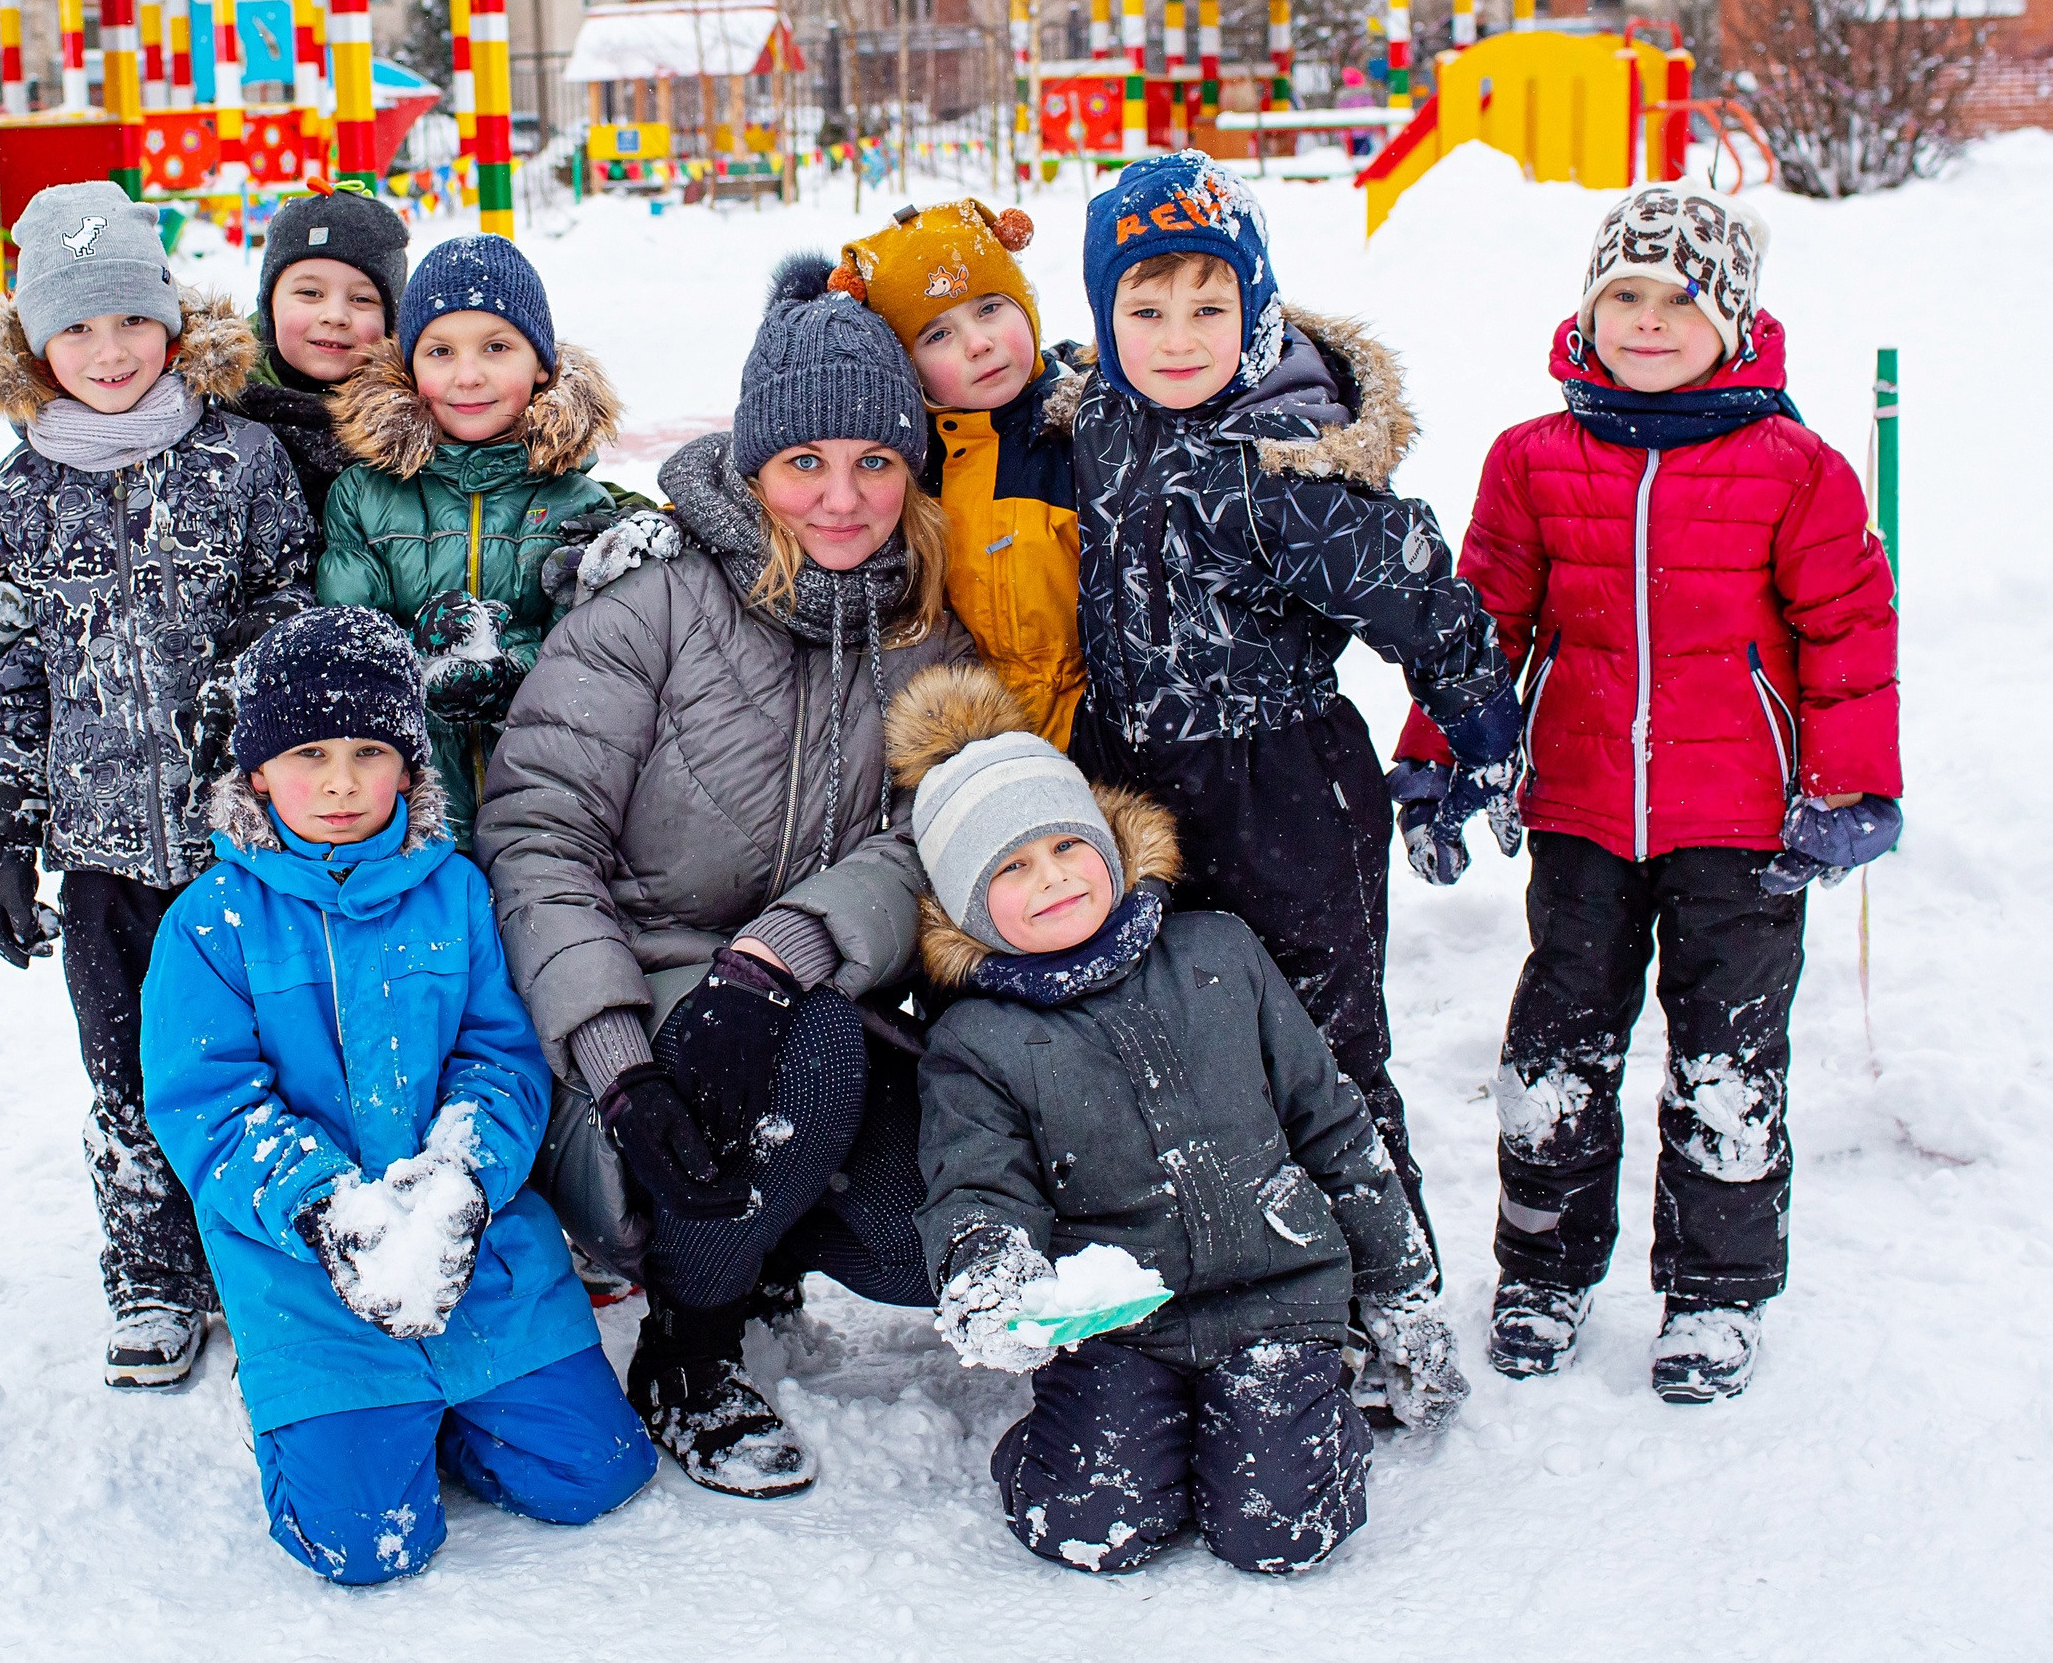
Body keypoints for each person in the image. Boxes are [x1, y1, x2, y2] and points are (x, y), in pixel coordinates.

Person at [1391, 185, 1902, 1403]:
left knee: (1727, 1062)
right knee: (1554, 1052)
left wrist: (1851, 787)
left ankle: (1717, 1295)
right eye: (1624, 293)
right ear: (1587, 305)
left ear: (1731, 316)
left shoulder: (1796, 469)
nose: (1649, 320)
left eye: (1680, 299)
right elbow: (1485, 621)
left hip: (1745, 827)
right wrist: (1440, 757)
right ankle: (1542, 1270)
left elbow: (1848, 632)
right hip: (1577, 811)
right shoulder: (1532, 459)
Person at [476, 253, 973, 1498]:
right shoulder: (653, 610)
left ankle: (754, 1250)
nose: (842, 497)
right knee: (800, 1048)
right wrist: (614, 1056)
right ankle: (687, 1348)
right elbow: (536, 834)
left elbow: (935, 828)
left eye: (875, 461)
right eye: (805, 462)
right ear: (752, 467)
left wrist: (783, 950)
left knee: (929, 1236)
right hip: (631, 1050)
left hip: (811, 1010)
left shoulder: (929, 638)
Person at [896, 664, 1465, 1577]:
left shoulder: (1219, 952)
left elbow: (1333, 1127)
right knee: (1093, 1523)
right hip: (1123, 1327)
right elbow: (978, 1183)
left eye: (1067, 848)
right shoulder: (977, 1042)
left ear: (1110, 846)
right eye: (1011, 867)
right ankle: (1096, 1444)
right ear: (968, 906)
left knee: (1278, 1530)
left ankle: (1304, 1411)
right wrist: (990, 1268)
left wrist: (1400, 1293)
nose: (1053, 881)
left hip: (1278, 1301)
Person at [1059, 151, 1518, 1271]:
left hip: (1285, 789)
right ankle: (1235, 1275)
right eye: (1146, 305)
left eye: (1209, 305)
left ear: (1254, 306)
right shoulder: (1092, 423)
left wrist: (1480, 726)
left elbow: (1410, 586)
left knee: (1320, 1049)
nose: (1178, 335)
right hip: (1132, 785)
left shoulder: (1279, 466)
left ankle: (1384, 1281)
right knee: (1171, 1039)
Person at [140, 608, 655, 1584]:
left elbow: (501, 1055)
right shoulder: (209, 923)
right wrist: (327, 1204)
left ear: (409, 766)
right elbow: (209, 1106)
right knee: (364, 1545)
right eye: (309, 753)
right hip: (309, 1269)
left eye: (369, 751)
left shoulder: (456, 893)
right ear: (256, 772)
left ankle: (448, 1413)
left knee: (595, 1475)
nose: (340, 781)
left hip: (475, 1246)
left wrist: (465, 1176)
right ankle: (330, 1414)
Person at [0, 181, 316, 1387]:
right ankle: (150, 1270)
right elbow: (10, 677)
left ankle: (257, 1249)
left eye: (129, 323)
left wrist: (246, 680)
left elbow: (293, 603)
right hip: (99, 844)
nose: (107, 354)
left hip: (239, 842)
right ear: (34, 343)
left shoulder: (242, 456)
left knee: (257, 1054)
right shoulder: (20, 489)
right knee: (123, 1067)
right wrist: (0, 828)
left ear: (169, 319)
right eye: (75, 330)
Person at [317, 233, 626, 850]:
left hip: (545, 803)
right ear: (408, 366)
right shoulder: (364, 494)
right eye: (440, 351)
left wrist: (509, 669)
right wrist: (421, 656)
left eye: (496, 347)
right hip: (409, 813)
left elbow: (599, 662)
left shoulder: (577, 503)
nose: (468, 375)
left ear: (541, 365)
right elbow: (347, 640)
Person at [833, 199, 1086, 745]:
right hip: (972, 759)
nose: (979, 343)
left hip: (1100, 742)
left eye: (990, 308)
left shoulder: (1088, 434)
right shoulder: (906, 468)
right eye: (937, 335)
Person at [231, 183, 413, 515]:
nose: (334, 316)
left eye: (362, 299)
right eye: (310, 293)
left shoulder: (410, 430)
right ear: (270, 308)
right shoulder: (221, 414)